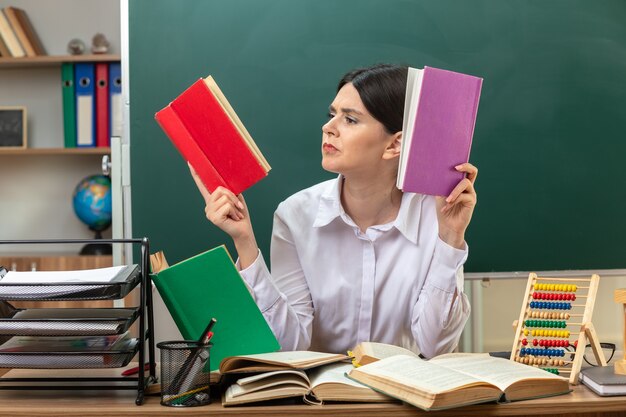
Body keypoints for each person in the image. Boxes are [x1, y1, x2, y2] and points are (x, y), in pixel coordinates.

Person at [189, 63, 477, 358]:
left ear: (395, 144)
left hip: (403, 398)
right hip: (322, 398)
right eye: (332, 114)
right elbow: (289, 345)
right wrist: (245, 242)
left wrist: (451, 239)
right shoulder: (295, 216)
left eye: (350, 120)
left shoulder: (435, 218)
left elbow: (435, 346)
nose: (328, 127)